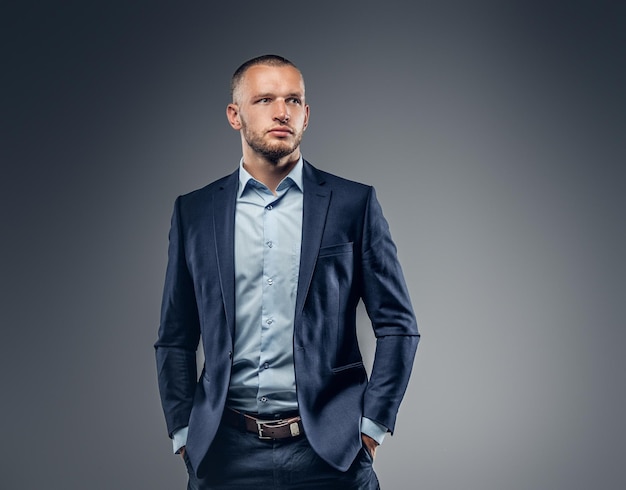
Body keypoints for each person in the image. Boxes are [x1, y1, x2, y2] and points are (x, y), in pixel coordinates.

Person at [155, 54, 420, 489]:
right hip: (224, 455)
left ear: (306, 115)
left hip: (331, 454)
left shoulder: (353, 204)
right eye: (264, 99)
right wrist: (184, 432)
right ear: (234, 115)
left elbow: (398, 325)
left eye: (293, 100)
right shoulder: (195, 212)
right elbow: (174, 335)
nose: (282, 111)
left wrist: (372, 426)